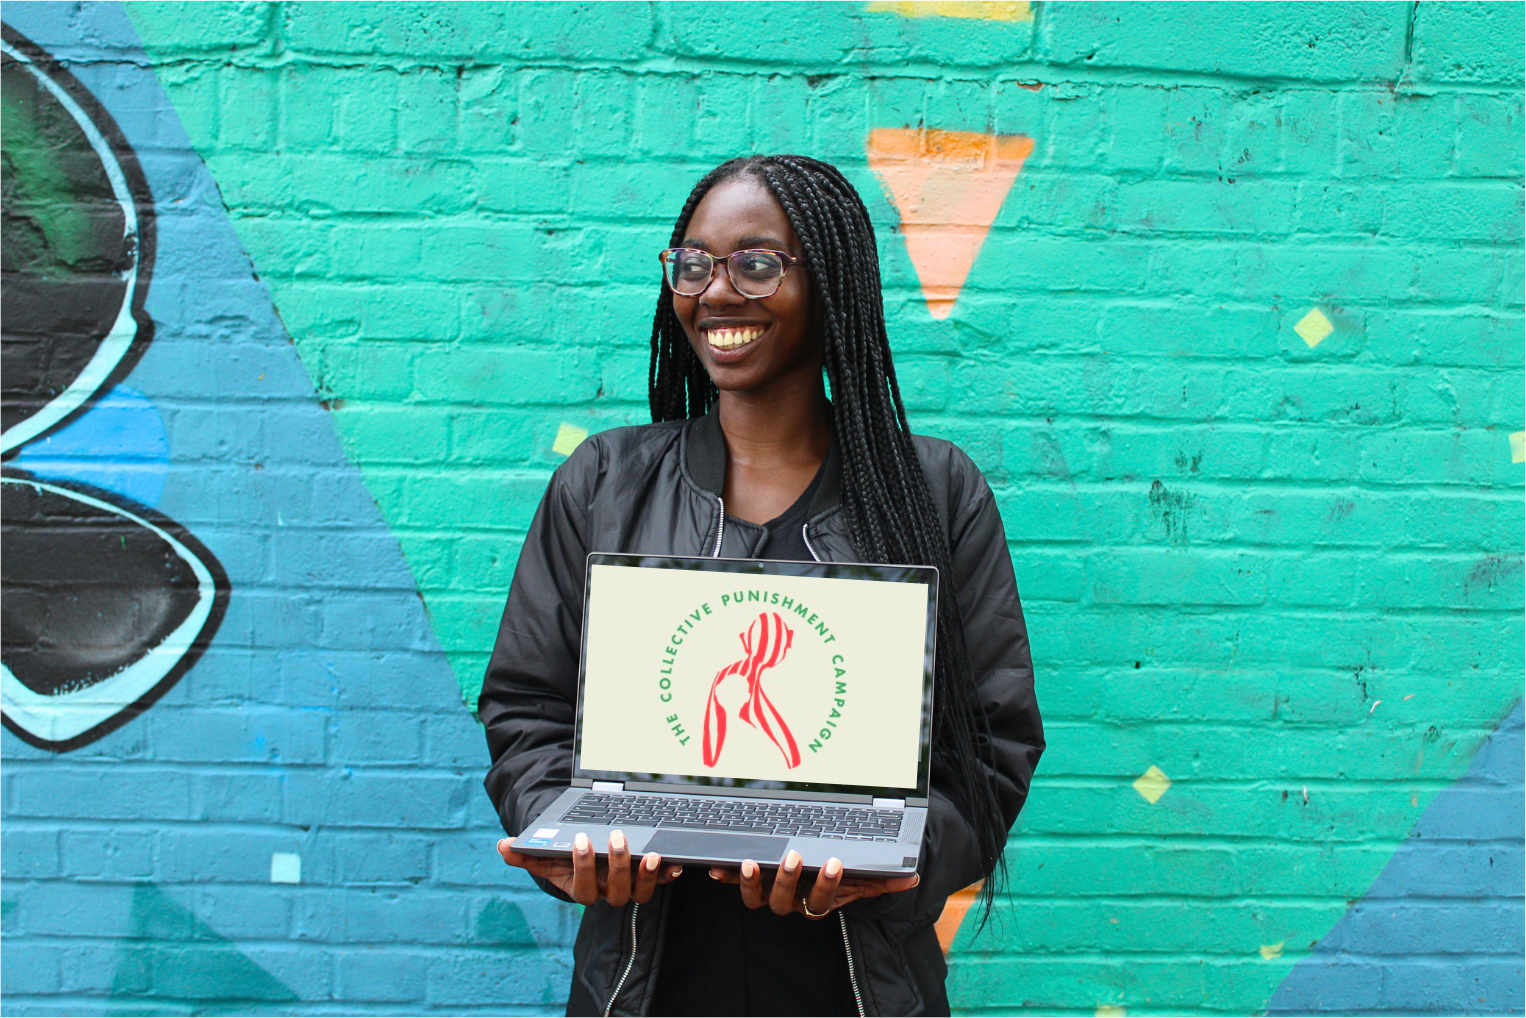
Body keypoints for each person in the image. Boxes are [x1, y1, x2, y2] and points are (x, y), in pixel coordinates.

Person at [480, 154, 1043, 1017]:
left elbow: (990, 749)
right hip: (650, 985)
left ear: (836, 284)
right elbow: (527, 708)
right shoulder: (603, 482)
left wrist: (888, 858)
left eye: (756, 263)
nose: (715, 293)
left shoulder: (933, 494)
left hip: (857, 989)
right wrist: (572, 823)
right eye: (694, 265)